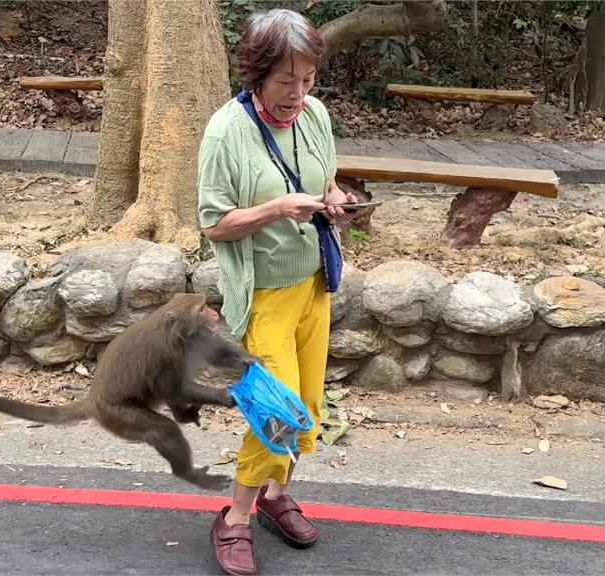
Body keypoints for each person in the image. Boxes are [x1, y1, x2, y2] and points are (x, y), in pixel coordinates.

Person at [196, 8, 355, 576]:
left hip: (313, 284)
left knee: (308, 403)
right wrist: (277, 209)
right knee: (278, 409)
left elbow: (327, 178)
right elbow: (214, 223)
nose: (299, 92)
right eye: (287, 80)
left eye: (308, 79)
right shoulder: (226, 131)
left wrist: (335, 199)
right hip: (262, 292)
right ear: (257, 74)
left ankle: (274, 493)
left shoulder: (314, 116)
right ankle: (234, 519)